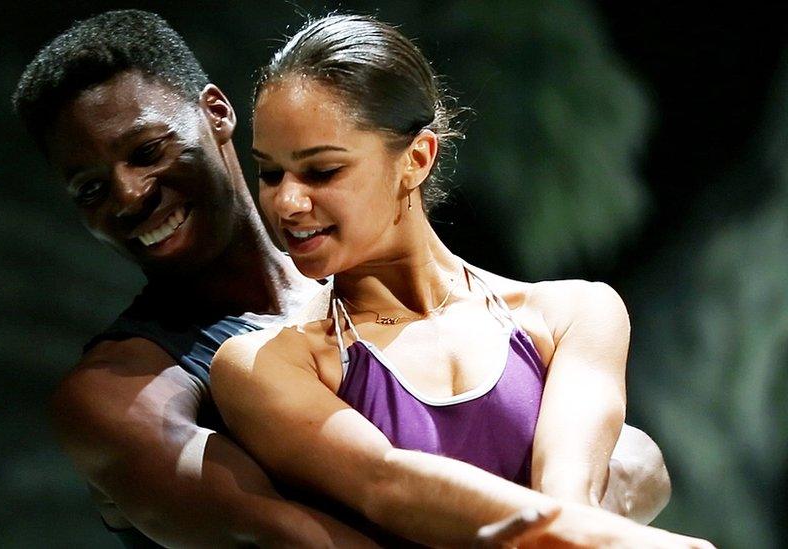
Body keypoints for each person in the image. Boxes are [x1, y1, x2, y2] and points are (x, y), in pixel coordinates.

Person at [13, 9, 674, 547]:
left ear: (215, 113)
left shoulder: (376, 301)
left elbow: (636, 460)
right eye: (92, 187)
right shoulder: (121, 390)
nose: (128, 195)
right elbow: (282, 536)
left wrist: (579, 514)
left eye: (148, 150)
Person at [211, 14, 713, 548]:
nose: (287, 202)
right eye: (270, 173)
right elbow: (387, 484)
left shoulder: (575, 314)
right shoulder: (263, 365)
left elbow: (570, 501)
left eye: (322, 171)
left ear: (417, 159)